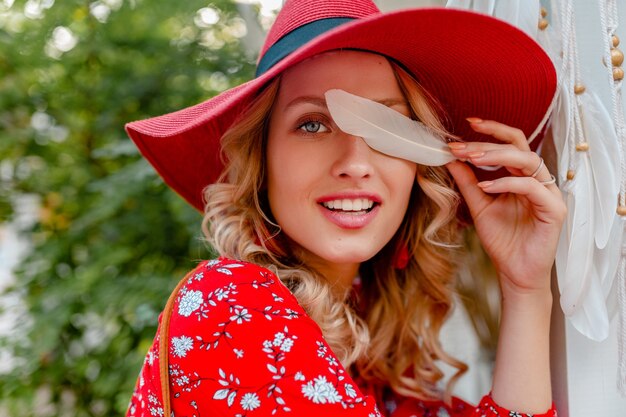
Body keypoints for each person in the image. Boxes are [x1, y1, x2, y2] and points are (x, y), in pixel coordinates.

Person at [124, 1, 564, 416]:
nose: (355, 164)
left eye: (385, 127)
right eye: (313, 124)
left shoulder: (375, 366)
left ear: (418, 164)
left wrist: (526, 290)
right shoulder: (228, 302)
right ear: (261, 161)